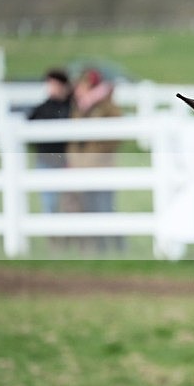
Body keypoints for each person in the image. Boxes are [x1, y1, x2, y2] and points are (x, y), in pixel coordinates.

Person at [64, 68, 123, 251]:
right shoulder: (80, 108)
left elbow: (112, 138)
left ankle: (113, 246)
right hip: (81, 167)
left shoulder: (106, 107)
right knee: (86, 208)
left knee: (104, 208)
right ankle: (94, 247)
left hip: (100, 166)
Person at [27, 68, 72, 215]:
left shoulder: (70, 108)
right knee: (50, 203)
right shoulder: (42, 109)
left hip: (66, 161)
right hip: (46, 160)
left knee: (69, 203)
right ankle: (53, 236)